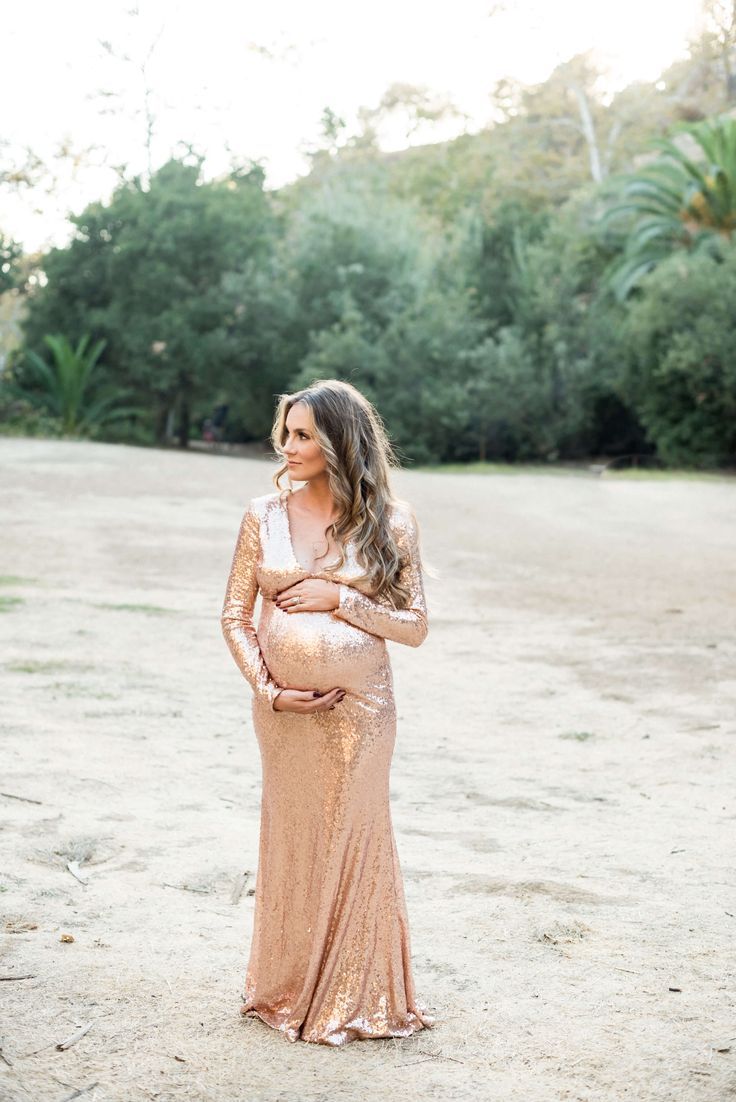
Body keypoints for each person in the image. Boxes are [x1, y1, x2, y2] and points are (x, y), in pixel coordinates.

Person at [220, 378, 436, 1047]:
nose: (288, 445)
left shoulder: (392, 521)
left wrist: (341, 600)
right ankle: (287, 988)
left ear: (341, 441)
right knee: (294, 839)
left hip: (364, 710)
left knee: (354, 838)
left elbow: (416, 625)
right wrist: (269, 689)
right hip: (282, 713)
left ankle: (358, 997)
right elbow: (234, 617)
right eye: (286, 431)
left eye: (305, 434)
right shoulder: (263, 515)